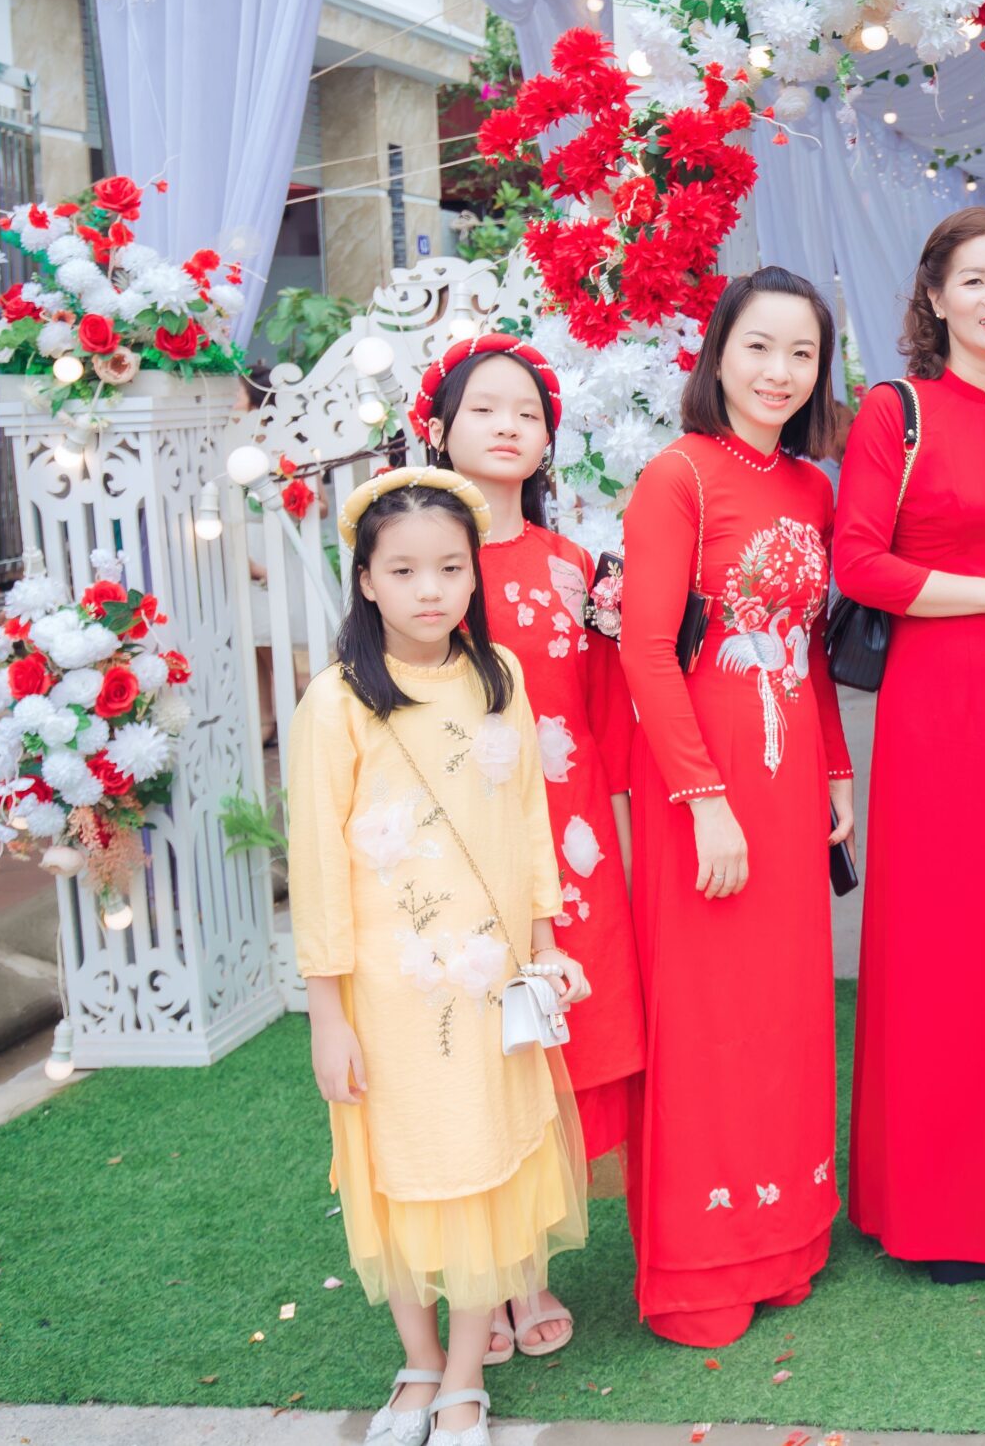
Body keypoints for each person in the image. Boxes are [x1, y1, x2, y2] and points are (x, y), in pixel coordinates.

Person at [289, 468, 592, 1446]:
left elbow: (530, 821)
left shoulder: (497, 675)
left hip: (490, 985)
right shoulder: (336, 703)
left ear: (474, 573)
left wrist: (543, 945)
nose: (431, 589)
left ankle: (464, 1376)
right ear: (365, 580)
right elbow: (317, 865)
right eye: (405, 570)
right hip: (389, 995)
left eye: (451, 568)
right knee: (400, 1169)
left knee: (483, 1166)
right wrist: (327, 1014)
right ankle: (417, 1363)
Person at [836, 207, 985, 1284]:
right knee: (939, 942)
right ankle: (937, 1207)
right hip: (936, 706)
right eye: (974, 279)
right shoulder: (894, 412)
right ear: (934, 297)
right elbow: (859, 562)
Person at [617, 267, 855, 1347]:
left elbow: (808, 647)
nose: (778, 371)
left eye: (801, 353)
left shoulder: (811, 487)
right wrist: (703, 799)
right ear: (718, 354)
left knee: (784, 1013)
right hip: (702, 781)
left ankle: (782, 1239)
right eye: (759, 346)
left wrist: (836, 772)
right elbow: (645, 650)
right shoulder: (678, 476)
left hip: (790, 772)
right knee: (705, 1018)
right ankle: (698, 1266)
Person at [417, 334, 643, 1363]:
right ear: (438, 430)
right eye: (485, 409)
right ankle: (491, 1269)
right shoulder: (424, 564)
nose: (508, 427)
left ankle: (528, 1266)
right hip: (461, 833)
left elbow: (602, 713)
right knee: (475, 1039)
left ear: (549, 442)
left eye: (527, 413)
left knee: (554, 1037)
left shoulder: (574, 567)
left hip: (571, 833)